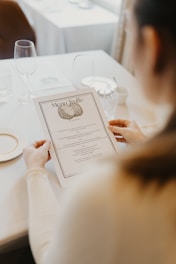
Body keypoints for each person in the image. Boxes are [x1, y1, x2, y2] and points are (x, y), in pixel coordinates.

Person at [23, 0, 176, 263]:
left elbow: (50, 256)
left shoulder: (106, 192)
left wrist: (35, 173)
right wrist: (144, 144)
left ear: (152, 46)